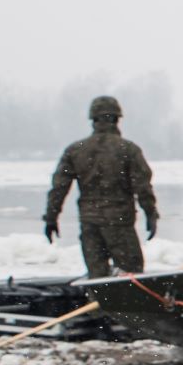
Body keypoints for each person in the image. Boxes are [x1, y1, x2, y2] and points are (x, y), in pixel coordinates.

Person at [43, 95, 158, 279]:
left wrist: (51, 217)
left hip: (90, 223)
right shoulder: (128, 149)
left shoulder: (76, 150)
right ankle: (128, 307)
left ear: (93, 120)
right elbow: (143, 186)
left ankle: (99, 306)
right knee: (132, 277)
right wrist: (151, 214)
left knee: (97, 278)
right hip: (119, 223)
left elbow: (59, 188)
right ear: (116, 119)